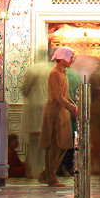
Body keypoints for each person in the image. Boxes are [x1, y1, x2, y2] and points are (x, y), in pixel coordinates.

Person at [39, 47, 78, 186]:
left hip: (62, 112)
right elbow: (58, 96)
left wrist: (74, 106)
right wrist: (73, 108)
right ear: (62, 58)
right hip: (55, 113)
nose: (72, 60)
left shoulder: (63, 72)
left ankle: (46, 174)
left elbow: (65, 95)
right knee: (54, 145)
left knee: (63, 144)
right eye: (70, 57)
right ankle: (51, 177)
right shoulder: (54, 73)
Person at [21, 51, 50, 180]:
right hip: (47, 108)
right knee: (46, 144)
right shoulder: (51, 70)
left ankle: (33, 172)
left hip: (33, 109)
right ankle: (44, 172)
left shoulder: (32, 70)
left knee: (33, 144)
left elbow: (25, 89)